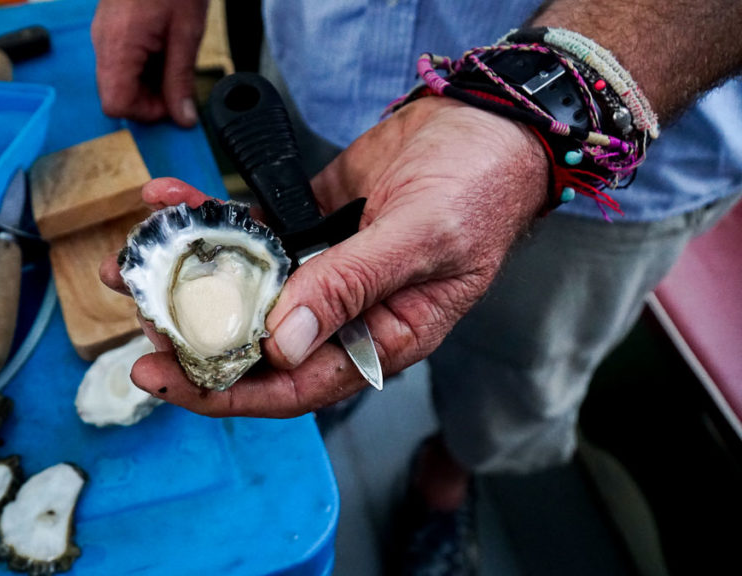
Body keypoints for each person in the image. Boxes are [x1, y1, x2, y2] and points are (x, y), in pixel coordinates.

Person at [92, 0, 742, 573]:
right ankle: (342, 397)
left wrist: (542, 106)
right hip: (318, 70)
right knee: (349, 334)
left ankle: (446, 476)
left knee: (516, 380)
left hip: (600, 170)